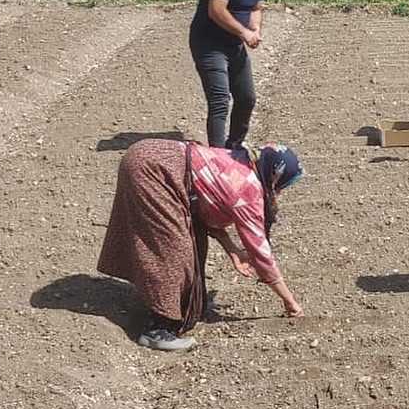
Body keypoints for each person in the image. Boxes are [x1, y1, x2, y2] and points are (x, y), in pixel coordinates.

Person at [98, 138, 304, 352]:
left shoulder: (239, 162)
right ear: (275, 175)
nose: (279, 192)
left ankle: (181, 307)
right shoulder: (248, 189)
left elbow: (205, 207)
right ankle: (157, 329)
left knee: (193, 241)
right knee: (174, 249)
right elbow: (260, 253)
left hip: (150, 157)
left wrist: (232, 250)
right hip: (153, 168)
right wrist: (290, 302)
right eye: (282, 186)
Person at [189, 0, 280, 149]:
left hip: (233, 45)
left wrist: (255, 27)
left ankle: (235, 146)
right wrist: (244, 33)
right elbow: (216, 10)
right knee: (220, 99)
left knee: (247, 98)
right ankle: (217, 155)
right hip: (209, 43)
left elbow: (255, 7)